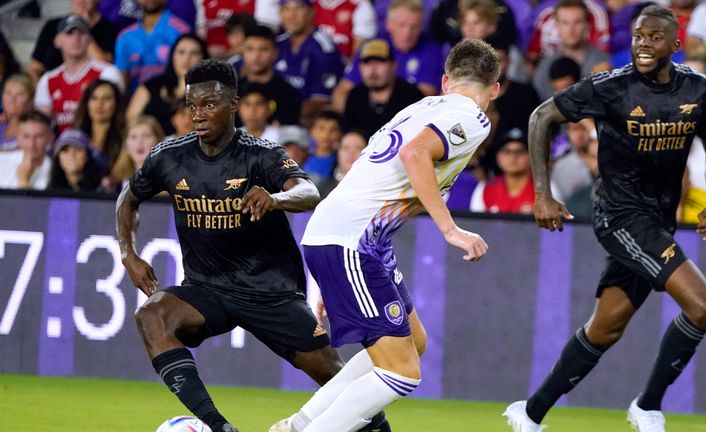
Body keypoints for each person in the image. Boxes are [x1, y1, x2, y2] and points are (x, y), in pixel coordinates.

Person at [115, 59, 391, 432]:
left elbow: (308, 191)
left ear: (233, 105)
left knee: (341, 383)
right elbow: (128, 197)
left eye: (209, 105)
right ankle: (218, 426)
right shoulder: (169, 156)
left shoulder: (262, 155)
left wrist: (276, 199)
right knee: (152, 315)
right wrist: (128, 252)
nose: (198, 115)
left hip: (270, 292)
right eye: (191, 106)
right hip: (207, 288)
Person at [504, 6, 706, 432]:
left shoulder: (699, 90)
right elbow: (542, 117)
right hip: (620, 215)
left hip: (660, 218)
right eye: (638, 36)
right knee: (702, 306)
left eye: (653, 37)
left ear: (675, 45)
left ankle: (529, 414)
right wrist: (542, 193)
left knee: (605, 328)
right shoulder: (611, 87)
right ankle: (648, 406)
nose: (643, 43)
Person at [270, 38, 499, 432]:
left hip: (353, 240)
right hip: (351, 242)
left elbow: (369, 171)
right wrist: (450, 228)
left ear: (445, 81)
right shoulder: (473, 117)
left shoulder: (419, 108)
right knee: (404, 374)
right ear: (495, 89)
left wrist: (336, 275)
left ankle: (298, 423)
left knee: (414, 341)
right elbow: (415, 155)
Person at [34, 15, 123, 134]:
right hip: (63, 148)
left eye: (81, 33)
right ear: (57, 40)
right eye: (70, 33)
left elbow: (118, 117)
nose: (76, 38)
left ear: (90, 39)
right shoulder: (48, 80)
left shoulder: (107, 73)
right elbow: (42, 124)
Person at [126, 33, 208, 135]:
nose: (187, 58)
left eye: (194, 53)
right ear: (172, 56)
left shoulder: (212, 92)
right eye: (181, 52)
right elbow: (131, 122)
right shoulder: (151, 86)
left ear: (204, 59)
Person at [342, 38, 423, 139]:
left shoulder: (411, 95)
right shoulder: (355, 95)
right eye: (367, 63)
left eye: (380, 62)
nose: (373, 69)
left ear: (394, 65)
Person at [114, 0, 190, 92]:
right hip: (136, 99)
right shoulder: (125, 37)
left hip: (172, 96)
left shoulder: (181, 31)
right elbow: (123, 78)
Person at [72, 79, 125, 171]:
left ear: (116, 103)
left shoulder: (125, 137)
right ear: (87, 104)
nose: (99, 104)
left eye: (107, 98)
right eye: (94, 98)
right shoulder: (74, 137)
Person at [0, 111, 54, 190]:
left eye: (39, 136)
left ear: (50, 138)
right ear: (18, 138)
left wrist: (23, 180)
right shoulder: (2, 161)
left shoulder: (56, 171)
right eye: (26, 136)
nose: (31, 144)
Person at [47, 128, 104, 192]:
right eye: (65, 150)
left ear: (87, 156)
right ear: (58, 158)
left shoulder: (103, 189)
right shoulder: (45, 186)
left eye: (78, 149)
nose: (72, 155)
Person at [0, 74, 35, 152]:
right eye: (8, 93)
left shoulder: (35, 129)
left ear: (31, 100)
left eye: (20, 94)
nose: (12, 99)